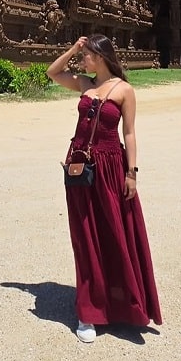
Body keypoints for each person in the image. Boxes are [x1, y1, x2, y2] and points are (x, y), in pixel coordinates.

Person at [46, 34, 162, 343]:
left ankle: (123, 304)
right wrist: (73, 48)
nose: (82, 59)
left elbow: (130, 133)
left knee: (115, 234)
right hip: (81, 166)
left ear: (100, 56)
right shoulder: (84, 84)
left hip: (111, 166)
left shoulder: (124, 90)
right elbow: (52, 73)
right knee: (85, 236)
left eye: (86, 55)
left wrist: (132, 173)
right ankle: (89, 312)